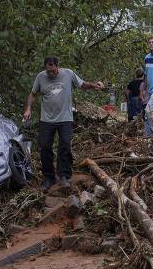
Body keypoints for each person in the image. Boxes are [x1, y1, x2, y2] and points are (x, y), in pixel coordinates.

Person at [24, 56, 105, 191]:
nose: (50, 73)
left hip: (65, 118)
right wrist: (28, 109)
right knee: (44, 146)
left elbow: (82, 84)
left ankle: (63, 175)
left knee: (65, 144)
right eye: (48, 71)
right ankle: (49, 177)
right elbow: (33, 94)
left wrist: (94, 85)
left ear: (57, 67)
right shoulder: (41, 77)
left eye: (53, 70)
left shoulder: (68, 74)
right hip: (47, 119)